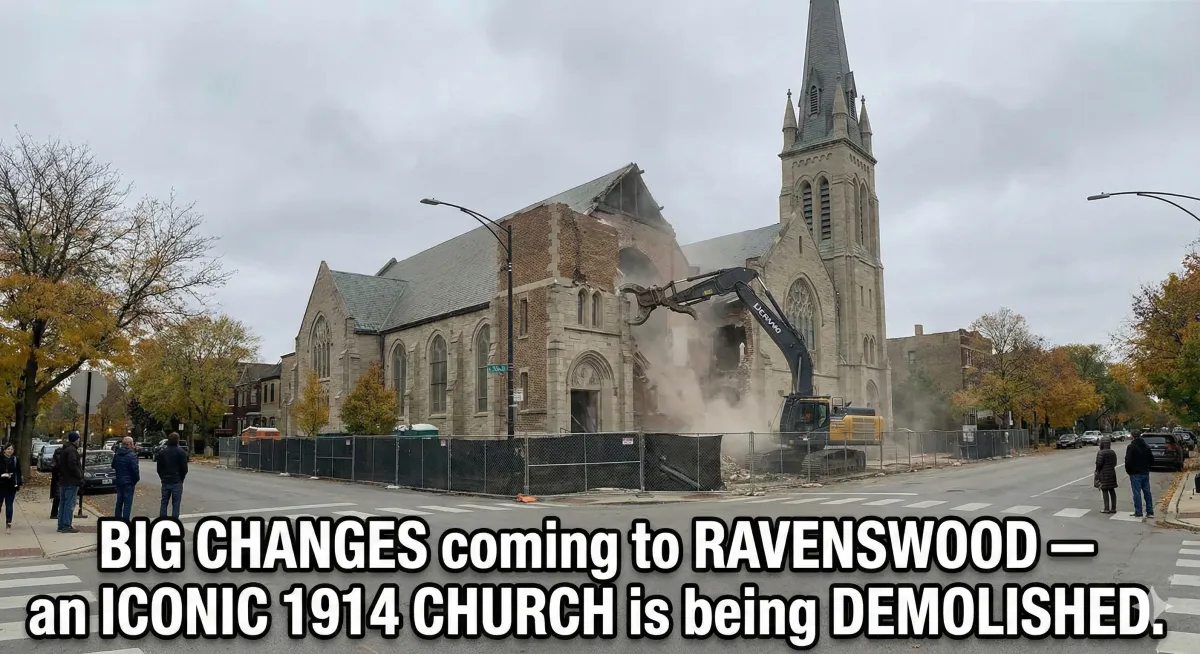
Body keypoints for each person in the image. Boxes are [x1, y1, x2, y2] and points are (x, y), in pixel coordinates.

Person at [156, 432, 189, 519]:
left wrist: (162, 477)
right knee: (176, 503)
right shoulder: (181, 452)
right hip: (176, 480)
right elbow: (184, 469)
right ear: (177, 440)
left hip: (166, 480)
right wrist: (181, 478)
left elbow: (159, 468)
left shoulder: (162, 452)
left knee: (164, 502)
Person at [57, 431, 84, 534]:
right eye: (78, 439)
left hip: (64, 480)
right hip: (71, 481)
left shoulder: (66, 449)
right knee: (69, 504)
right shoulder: (72, 450)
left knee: (63, 503)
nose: (79, 440)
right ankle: (66, 525)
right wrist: (79, 475)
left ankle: (61, 524)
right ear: (75, 439)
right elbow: (72, 464)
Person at [1125, 430, 1155, 519]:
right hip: (1145, 471)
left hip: (1135, 473)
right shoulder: (1146, 446)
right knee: (1147, 492)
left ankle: (1139, 511)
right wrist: (1148, 466)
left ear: (1132, 436)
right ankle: (1150, 511)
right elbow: (1152, 459)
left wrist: (1129, 470)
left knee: (1136, 493)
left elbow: (1128, 460)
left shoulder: (1131, 447)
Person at [111, 436, 140, 521]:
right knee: (127, 503)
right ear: (130, 444)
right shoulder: (132, 455)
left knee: (119, 502)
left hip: (119, 481)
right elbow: (135, 470)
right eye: (133, 443)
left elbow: (113, 465)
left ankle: (117, 520)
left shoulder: (117, 454)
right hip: (129, 482)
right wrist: (136, 479)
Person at [0, 443, 22, 532]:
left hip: (11, 485)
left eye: (11, 449)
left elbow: (18, 472)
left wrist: (18, 482)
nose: (10, 451)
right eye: (8, 449)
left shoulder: (15, 459)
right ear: (4, 450)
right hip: (0, 485)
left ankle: (8, 523)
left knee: (9, 505)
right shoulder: (0, 459)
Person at [1094, 436, 1119, 514]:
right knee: (1112, 490)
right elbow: (1115, 463)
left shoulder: (1101, 452)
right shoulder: (1112, 452)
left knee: (1104, 490)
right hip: (1112, 472)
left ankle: (1106, 508)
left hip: (1103, 473)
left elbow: (1099, 464)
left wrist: (1097, 471)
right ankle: (1113, 508)